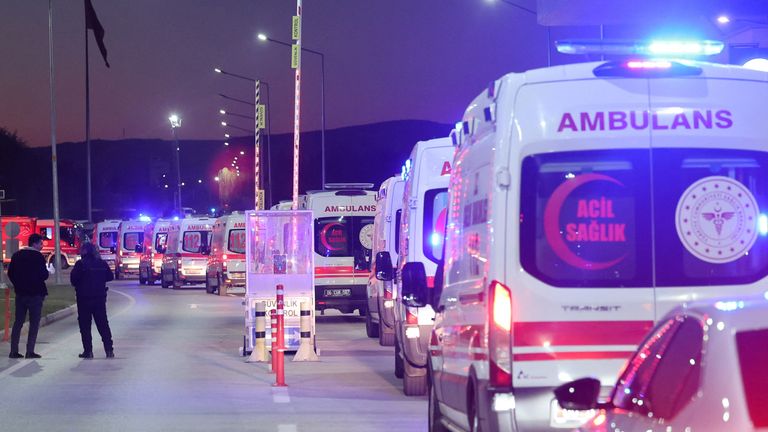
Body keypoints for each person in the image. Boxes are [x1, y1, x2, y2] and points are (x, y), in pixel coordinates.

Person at [70, 242, 115, 359]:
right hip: (99, 298)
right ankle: (109, 350)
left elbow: (73, 280)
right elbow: (110, 276)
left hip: (83, 298)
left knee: (85, 326)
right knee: (103, 324)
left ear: (84, 251)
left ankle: (88, 351)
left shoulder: (80, 264)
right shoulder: (101, 263)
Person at [7, 233, 49, 359]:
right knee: (34, 323)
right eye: (41, 243)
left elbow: (10, 273)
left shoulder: (17, 255)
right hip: (35, 294)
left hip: (20, 294)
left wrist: (18, 285)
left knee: (18, 322)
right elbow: (44, 275)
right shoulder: (38, 257)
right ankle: (29, 351)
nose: (42, 246)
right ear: (35, 243)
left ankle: (13, 351)